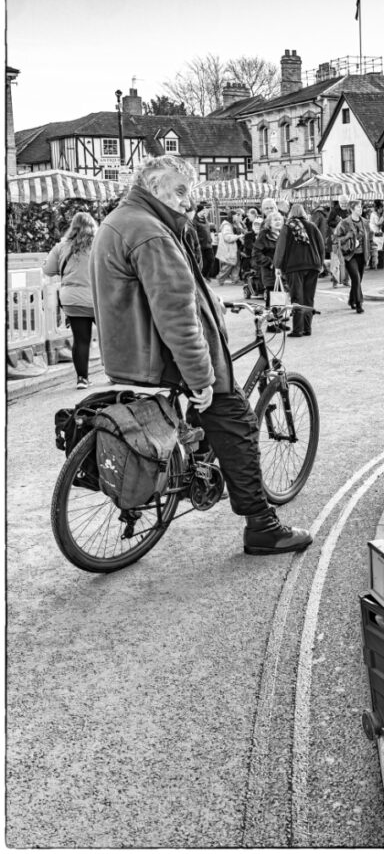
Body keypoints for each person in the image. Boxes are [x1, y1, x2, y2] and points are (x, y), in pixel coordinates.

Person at [90, 154, 312, 556]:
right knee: (238, 423)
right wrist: (201, 380)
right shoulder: (151, 232)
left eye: (187, 192)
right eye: (178, 191)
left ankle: (197, 466)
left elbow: (164, 293)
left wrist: (214, 305)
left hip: (134, 352)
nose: (185, 201)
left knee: (210, 421)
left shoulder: (124, 220)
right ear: (154, 186)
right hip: (165, 357)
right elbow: (175, 314)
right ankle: (262, 527)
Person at [44, 211, 98, 389]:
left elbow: (48, 270)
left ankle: (82, 378)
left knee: (81, 340)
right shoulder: (99, 244)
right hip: (99, 298)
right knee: (109, 337)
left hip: (73, 299)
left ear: (72, 227)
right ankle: (117, 374)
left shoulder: (61, 247)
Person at [273, 203, 325, 337]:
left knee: (297, 297)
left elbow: (281, 248)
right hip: (313, 265)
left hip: (294, 267)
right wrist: (320, 263)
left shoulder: (287, 227)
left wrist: (277, 266)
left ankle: (298, 329)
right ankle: (307, 328)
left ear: (291, 213)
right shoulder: (312, 226)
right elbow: (321, 246)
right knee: (309, 298)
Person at [334, 200, 370, 314]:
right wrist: (347, 237)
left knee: (357, 281)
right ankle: (359, 303)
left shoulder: (365, 222)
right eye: (358, 207)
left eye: (361, 207)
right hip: (349, 255)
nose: (361, 209)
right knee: (356, 278)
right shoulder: (344, 223)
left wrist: (373, 255)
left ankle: (351, 299)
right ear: (352, 209)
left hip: (362, 255)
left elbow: (369, 240)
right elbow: (336, 239)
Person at [253, 209, 284, 309]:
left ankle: (279, 318)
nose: (278, 221)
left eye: (280, 219)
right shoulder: (264, 235)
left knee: (281, 297)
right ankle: (272, 319)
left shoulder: (283, 235)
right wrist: (270, 264)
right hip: (270, 272)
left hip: (283, 271)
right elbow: (256, 253)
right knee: (272, 297)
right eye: (275, 220)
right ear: (269, 223)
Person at [215, 211, 242, 284]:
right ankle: (220, 278)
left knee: (236, 263)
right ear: (233, 216)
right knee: (228, 264)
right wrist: (238, 236)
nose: (239, 217)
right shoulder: (227, 225)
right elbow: (227, 237)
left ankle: (235, 279)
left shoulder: (233, 224)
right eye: (237, 215)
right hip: (229, 248)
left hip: (235, 247)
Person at [193, 202, 215, 279]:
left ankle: (205, 275)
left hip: (208, 243)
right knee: (201, 261)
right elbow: (194, 232)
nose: (204, 212)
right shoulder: (194, 221)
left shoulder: (205, 219)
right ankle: (201, 276)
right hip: (201, 244)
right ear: (199, 211)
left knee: (211, 259)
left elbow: (207, 229)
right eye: (203, 210)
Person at [368, 199, 384, 269]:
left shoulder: (376, 214)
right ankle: (375, 264)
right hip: (374, 233)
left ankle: (377, 264)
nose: (382, 210)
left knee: (378, 247)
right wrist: (383, 217)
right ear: (378, 208)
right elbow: (378, 223)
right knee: (376, 248)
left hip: (377, 233)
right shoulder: (373, 214)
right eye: (381, 208)